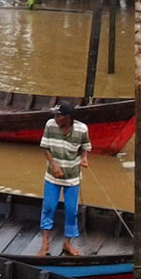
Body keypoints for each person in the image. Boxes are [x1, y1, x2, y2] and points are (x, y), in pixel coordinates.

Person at [38, 100, 91, 256]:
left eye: (58, 115)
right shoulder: (50, 125)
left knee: (71, 211)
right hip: (52, 176)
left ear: (67, 117)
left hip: (72, 178)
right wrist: (54, 164)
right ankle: (45, 244)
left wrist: (84, 158)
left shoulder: (82, 129)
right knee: (48, 207)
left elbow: (85, 148)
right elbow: (45, 146)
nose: (55, 117)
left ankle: (67, 244)